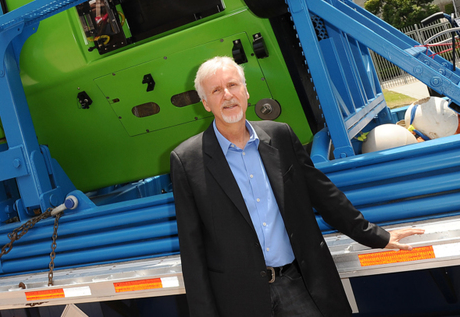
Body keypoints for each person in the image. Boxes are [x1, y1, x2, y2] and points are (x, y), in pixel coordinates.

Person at [170, 56, 424, 316]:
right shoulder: (187, 161)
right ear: (205, 103)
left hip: (298, 285)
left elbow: (324, 195)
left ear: (246, 91)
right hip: (240, 300)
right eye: (216, 90)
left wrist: (376, 236)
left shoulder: (280, 136)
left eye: (233, 85)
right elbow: (193, 250)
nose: (227, 95)